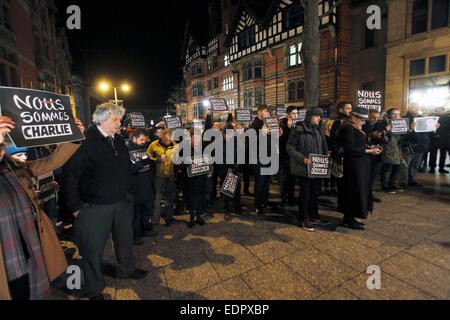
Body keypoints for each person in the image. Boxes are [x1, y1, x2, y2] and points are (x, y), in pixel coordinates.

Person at [61, 102, 147, 300]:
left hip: (121, 202)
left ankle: (127, 269)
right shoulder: (84, 141)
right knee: (92, 250)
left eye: (119, 119)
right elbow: (70, 177)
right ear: (100, 119)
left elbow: (124, 167)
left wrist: (129, 190)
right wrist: (75, 207)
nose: (119, 123)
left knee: (125, 241)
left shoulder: (117, 140)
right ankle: (94, 288)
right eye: (114, 119)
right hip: (95, 207)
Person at [0, 115, 83, 300]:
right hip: (7, 250)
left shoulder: (13, 166)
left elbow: (49, 163)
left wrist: (73, 136)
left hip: (28, 240)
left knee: (34, 284)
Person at [340, 107, 382, 230]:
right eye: (362, 120)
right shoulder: (348, 128)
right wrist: (369, 150)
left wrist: (368, 146)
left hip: (360, 164)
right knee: (353, 191)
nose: (364, 123)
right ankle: (349, 219)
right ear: (354, 118)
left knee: (358, 191)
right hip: (354, 165)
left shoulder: (355, 128)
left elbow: (357, 144)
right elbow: (350, 148)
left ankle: (351, 217)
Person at [287, 108, 329, 231]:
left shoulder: (319, 130)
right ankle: (304, 218)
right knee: (305, 194)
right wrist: (302, 159)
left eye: (320, 116)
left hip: (318, 168)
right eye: (317, 116)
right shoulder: (299, 130)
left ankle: (313, 215)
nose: (319, 119)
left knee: (315, 193)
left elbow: (323, 146)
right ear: (310, 116)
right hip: (304, 168)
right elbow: (290, 147)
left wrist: (327, 157)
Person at [249, 105, 283, 215]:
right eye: (265, 111)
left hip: (270, 156)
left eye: (268, 112)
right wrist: (261, 134)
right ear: (259, 112)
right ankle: (257, 205)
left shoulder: (270, 123)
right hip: (259, 158)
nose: (268, 113)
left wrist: (278, 135)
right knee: (260, 182)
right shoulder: (254, 125)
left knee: (267, 183)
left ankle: (264, 202)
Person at [128, 128, 157, 246]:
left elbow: (149, 164)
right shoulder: (126, 150)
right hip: (135, 187)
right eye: (141, 139)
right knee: (136, 214)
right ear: (133, 138)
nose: (143, 142)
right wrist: (141, 164)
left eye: (145, 139)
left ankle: (146, 229)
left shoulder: (143, 148)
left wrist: (154, 161)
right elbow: (128, 170)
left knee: (146, 211)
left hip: (147, 185)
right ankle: (135, 235)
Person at [173, 127, 208, 228]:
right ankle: (192, 218)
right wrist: (188, 163)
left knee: (201, 197)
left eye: (199, 138)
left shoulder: (204, 147)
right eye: (195, 138)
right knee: (191, 199)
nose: (197, 141)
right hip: (189, 180)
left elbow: (209, 159)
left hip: (201, 178)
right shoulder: (183, 148)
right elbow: (178, 163)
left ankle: (199, 217)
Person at [147, 128, 177, 228]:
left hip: (170, 175)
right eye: (166, 140)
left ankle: (169, 217)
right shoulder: (154, 144)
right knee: (157, 197)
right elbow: (147, 156)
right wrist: (156, 160)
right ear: (162, 137)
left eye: (170, 140)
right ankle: (155, 219)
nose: (168, 142)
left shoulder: (175, 145)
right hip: (158, 176)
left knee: (170, 197)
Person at [329, 102, 352, 212]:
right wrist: (338, 153)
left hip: (346, 155)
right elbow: (333, 140)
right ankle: (341, 204)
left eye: (351, 108)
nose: (350, 110)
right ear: (341, 110)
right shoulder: (338, 122)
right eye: (348, 108)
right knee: (341, 181)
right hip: (341, 156)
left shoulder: (349, 122)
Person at [219, 123, 242, 221]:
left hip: (235, 169)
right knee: (226, 193)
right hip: (225, 170)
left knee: (237, 190)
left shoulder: (236, 141)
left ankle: (237, 208)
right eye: (228, 134)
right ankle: (227, 211)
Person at [403, 103, 428, 187]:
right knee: (406, 164)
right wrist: (410, 129)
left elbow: (426, 131)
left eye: (417, 107)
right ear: (409, 108)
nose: (416, 109)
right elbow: (402, 133)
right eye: (414, 107)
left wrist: (433, 128)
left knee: (415, 164)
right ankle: (403, 181)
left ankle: (412, 180)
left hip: (420, 145)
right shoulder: (404, 119)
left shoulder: (422, 119)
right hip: (408, 145)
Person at [279, 106, 299, 207]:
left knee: (292, 179)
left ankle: (291, 198)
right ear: (288, 114)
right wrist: (287, 128)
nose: (296, 115)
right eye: (293, 113)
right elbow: (281, 141)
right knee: (284, 179)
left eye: (296, 113)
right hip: (284, 156)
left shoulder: (298, 125)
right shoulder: (282, 124)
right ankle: (284, 198)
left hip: (294, 156)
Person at [362, 110, 383, 202]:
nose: (375, 119)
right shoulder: (363, 125)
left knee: (373, 176)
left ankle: (370, 193)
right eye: (373, 117)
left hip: (377, 155)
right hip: (365, 154)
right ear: (368, 116)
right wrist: (371, 134)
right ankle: (363, 195)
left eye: (377, 117)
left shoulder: (379, 125)